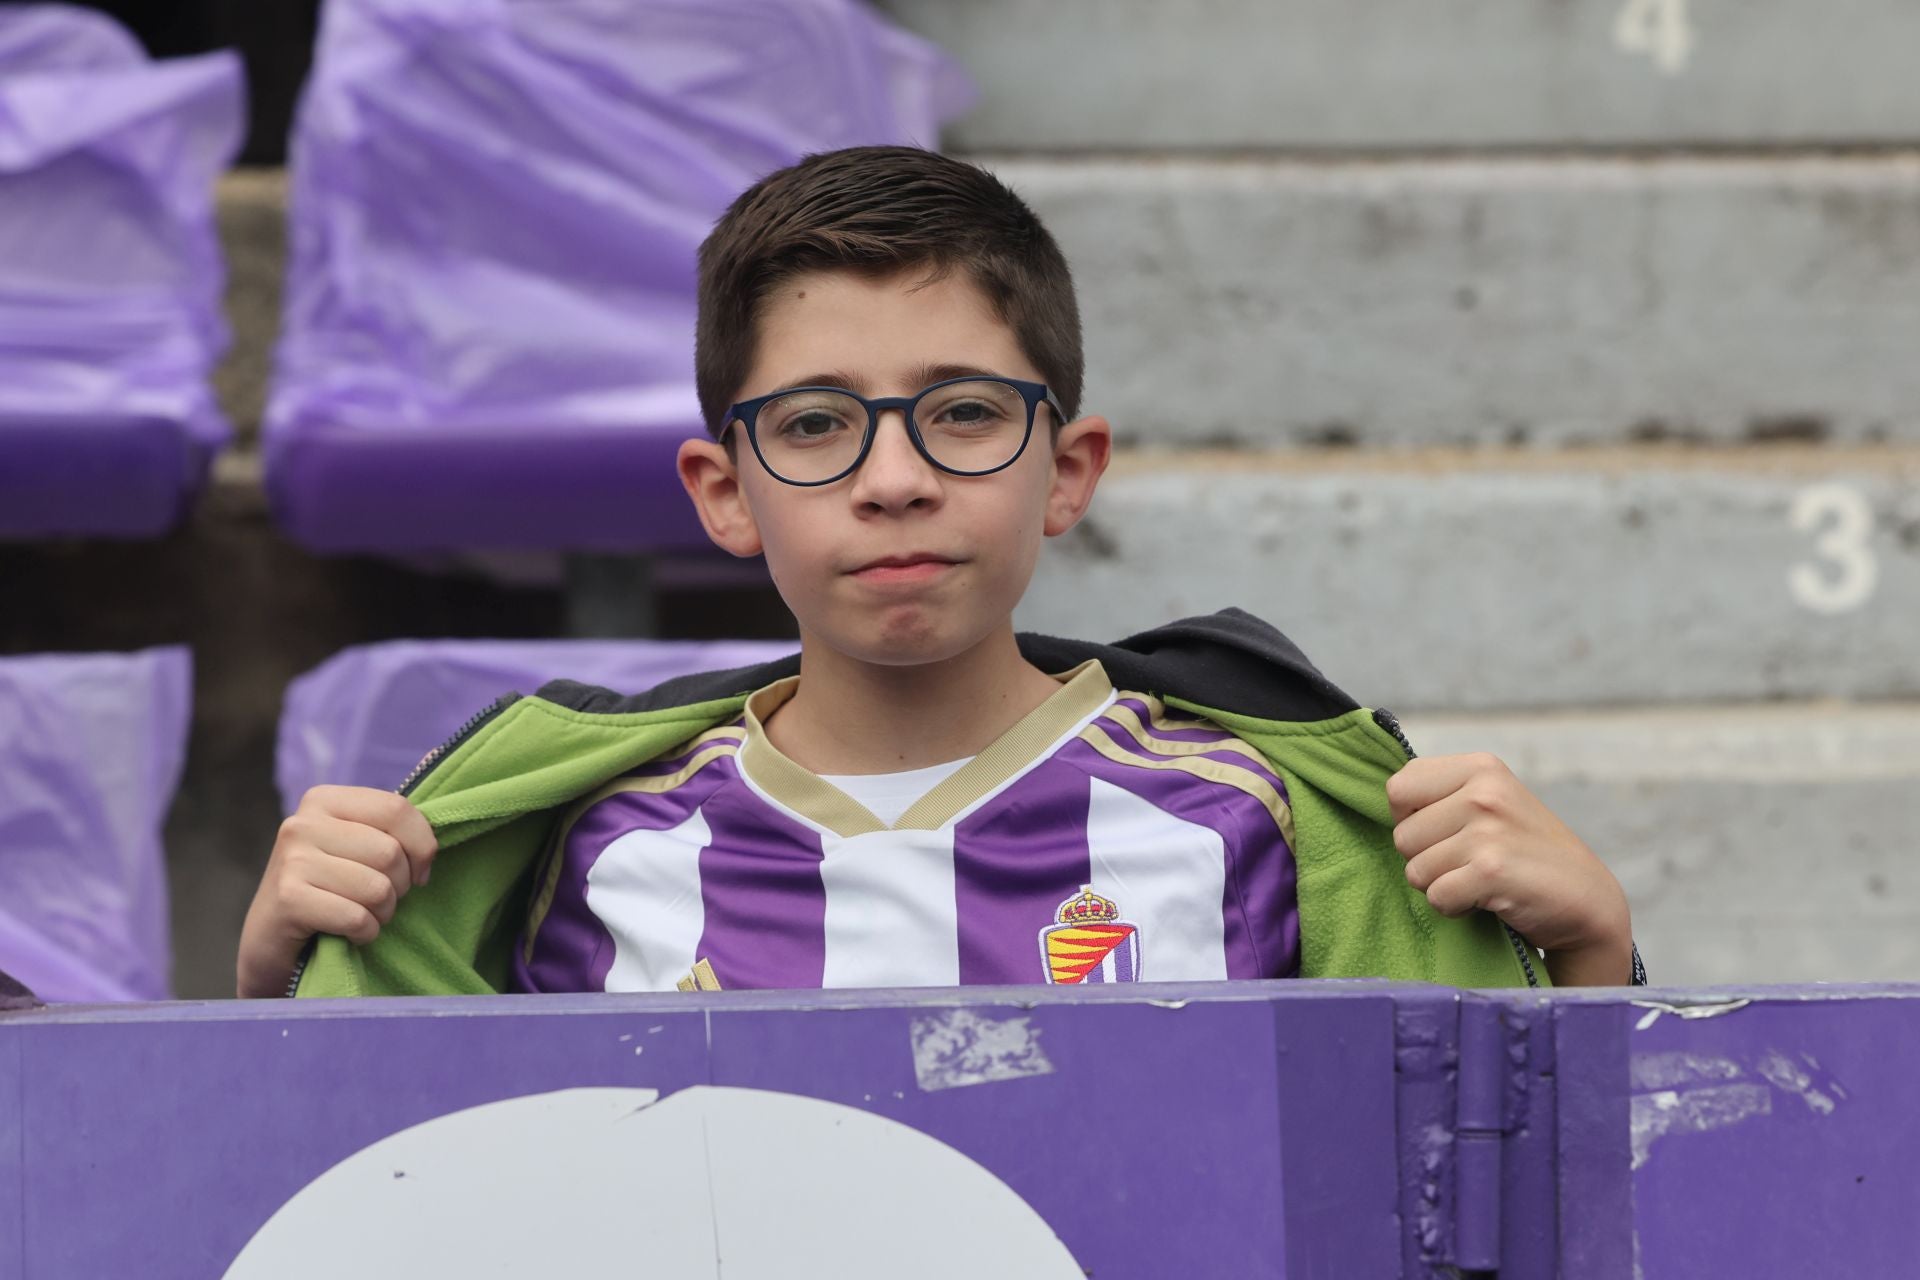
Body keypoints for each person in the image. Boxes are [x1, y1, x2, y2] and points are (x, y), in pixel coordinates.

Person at [237, 146, 1637, 1000]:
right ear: (725, 494)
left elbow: (1479, 1193)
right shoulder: (595, 852)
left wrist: (1591, 965)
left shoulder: (1252, 819)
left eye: (964, 412)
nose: (895, 477)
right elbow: (395, 1197)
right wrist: (276, 992)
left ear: (1068, 471)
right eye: (814, 424)